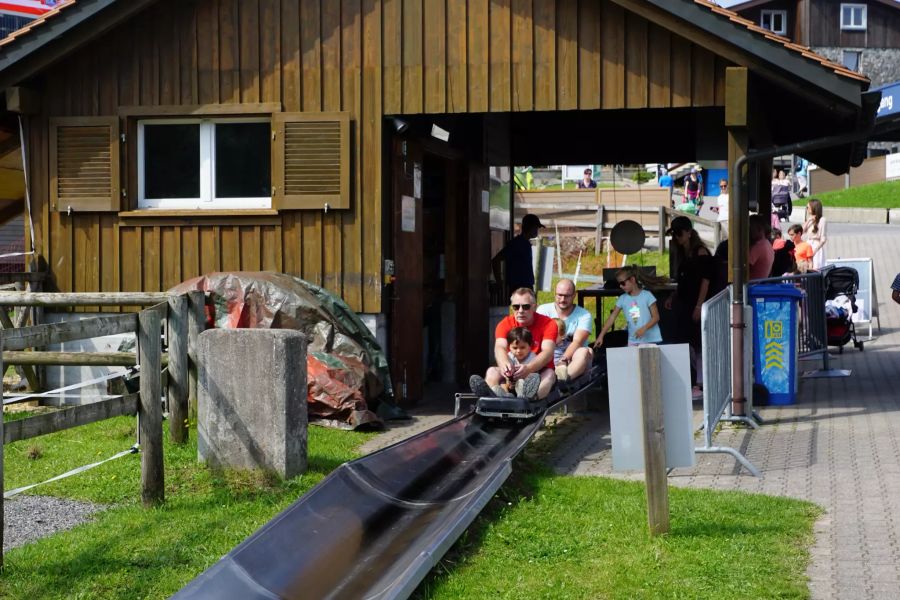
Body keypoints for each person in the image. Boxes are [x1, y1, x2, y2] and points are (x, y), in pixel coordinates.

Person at [470, 287, 558, 400]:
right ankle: (494, 398)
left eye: (526, 307)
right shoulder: (504, 323)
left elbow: (548, 352)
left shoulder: (548, 324)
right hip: (512, 372)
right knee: (492, 371)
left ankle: (530, 399)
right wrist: (505, 365)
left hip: (537, 371)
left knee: (549, 374)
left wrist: (529, 368)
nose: (520, 311)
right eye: (516, 307)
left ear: (534, 306)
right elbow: (499, 347)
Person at [664, 216, 713, 393]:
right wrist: (673, 295)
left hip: (695, 302)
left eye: (679, 233)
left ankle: (698, 381)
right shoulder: (684, 253)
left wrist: (699, 306)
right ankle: (691, 378)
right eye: (674, 234)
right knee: (683, 340)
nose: (677, 238)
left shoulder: (700, 253)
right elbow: (683, 280)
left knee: (695, 342)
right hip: (684, 301)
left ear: (689, 233)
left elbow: (705, 281)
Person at [537, 279, 594, 382]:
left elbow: (577, 342)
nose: (562, 299)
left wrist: (563, 361)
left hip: (572, 358)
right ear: (554, 294)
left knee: (585, 351)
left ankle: (563, 380)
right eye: (559, 295)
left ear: (574, 296)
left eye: (566, 296)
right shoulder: (542, 310)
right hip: (547, 356)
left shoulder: (584, 315)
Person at [595, 266, 662, 347]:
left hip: (650, 340)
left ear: (632, 280)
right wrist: (601, 336)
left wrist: (644, 328)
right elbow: (611, 318)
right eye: (619, 283)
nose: (620, 286)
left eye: (622, 283)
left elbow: (656, 317)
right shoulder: (622, 299)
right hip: (633, 340)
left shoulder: (647, 295)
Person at [491, 213, 545, 296]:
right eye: (536, 227)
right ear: (530, 227)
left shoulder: (525, 244)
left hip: (526, 288)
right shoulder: (516, 244)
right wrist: (499, 282)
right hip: (518, 290)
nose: (537, 230)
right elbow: (496, 260)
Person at [495, 327, 537, 397]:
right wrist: (508, 380)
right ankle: (505, 396)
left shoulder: (533, 358)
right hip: (511, 385)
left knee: (521, 383)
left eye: (522, 347)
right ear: (509, 347)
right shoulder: (509, 357)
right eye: (515, 348)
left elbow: (534, 377)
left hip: (526, 385)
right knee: (500, 385)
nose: (518, 351)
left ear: (530, 346)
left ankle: (522, 397)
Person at [748, 214, 774, 280]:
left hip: (751, 285)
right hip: (759, 283)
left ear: (759, 229)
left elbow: (744, 266)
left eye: (751, 228)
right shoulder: (767, 243)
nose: (749, 231)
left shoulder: (758, 246)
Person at [803, 198, 827, 270]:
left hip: (816, 245)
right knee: (807, 267)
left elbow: (823, 238)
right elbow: (801, 231)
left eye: (808, 207)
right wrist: (809, 220)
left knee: (816, 266)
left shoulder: (822, 220)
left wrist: (815, 250)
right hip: (808, 244)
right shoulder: (809, 219)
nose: (807, 209)